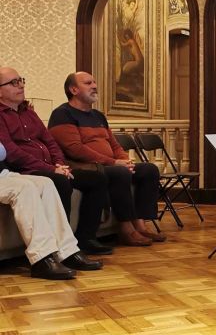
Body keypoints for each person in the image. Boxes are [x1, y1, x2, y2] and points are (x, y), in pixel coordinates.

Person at [0, 67, 112, 255]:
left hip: (51, 167)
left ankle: (86, 238)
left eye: (21, 80)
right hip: (26, 170)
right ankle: (61, 247)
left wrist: (60, 164)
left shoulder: (29, 112)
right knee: (60, 181)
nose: (20, 86)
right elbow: (11, 152)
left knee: (97, 179)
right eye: (13, 82)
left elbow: (49, 141)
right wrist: (51, 169)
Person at [48, 71, 165, 246]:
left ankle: (141, 224)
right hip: (86, 167)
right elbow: (75, 150)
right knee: (118, 172)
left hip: (110, 164)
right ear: (73, 89)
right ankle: (126, 229)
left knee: (149, 169)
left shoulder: (98, 116)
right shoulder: (63, 114)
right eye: (88, 83)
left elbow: (114, 144)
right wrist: (114, 163)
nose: (94, 86)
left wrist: (126, 161)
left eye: (94, 82)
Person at [0, 141, 103, 280]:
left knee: (46, 183)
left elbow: (2, 152)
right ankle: (41, 259)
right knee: (24, 188)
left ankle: (67, 251)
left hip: (3, 174)